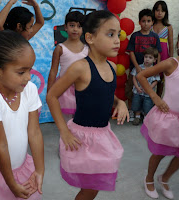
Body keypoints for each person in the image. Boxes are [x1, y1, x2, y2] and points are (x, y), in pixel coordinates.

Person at [47, 10, 129, 200]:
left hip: (103, 135)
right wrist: (64, 132)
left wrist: (121, 102)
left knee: (95, 185)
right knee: (89, 188)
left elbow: (106, 92)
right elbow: (52, 96)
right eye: (110, 34)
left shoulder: (110, 66)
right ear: (90, 38)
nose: (117, 40)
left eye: (118, 34)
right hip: (83, 139)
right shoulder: (80, 67)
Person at [137, 24, 179, 199]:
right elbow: (141, 76)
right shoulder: (170, 63)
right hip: (167, 118)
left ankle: (164, 178)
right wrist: (155, 97)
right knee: (159, 152)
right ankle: (149, 178)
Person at [0, 30, 44, 199]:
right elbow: (1, 146)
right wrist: (11, 184)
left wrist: (39, 170)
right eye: (21, 72)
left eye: (30, 70)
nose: (29, 77)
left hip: (23, 167)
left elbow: (34, 132)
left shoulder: (28, 89)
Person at [47, 11, 89, 122]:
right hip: (64, 89)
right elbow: (53, 71)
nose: (75, 29)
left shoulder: (88, 49)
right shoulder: (60, 48)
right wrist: (50, 92)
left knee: (82, 121)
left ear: (83, 29)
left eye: (79, 26)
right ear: (65, 27)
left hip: (83, 89)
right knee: (66, 123)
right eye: (72, 25)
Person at [126, 8, 162, 121]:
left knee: (147, 92)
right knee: (132, 90)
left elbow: (158, 53)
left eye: (148, 21)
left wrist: (157, 68)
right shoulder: (135, 36)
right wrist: (137, 67)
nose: (146, 24)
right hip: (135, 69)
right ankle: (132, 111)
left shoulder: (155, 36)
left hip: (150, 71)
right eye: (143, 21)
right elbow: (131, 52)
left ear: (152, 22)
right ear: (139, 22)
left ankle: (145, 113)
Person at [131, 47, 160, 126]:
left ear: (154, 60)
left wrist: (149, 88)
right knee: (136, 104)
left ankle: (146, 118)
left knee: (147, 106)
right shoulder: (139, 67)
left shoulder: (154, 69)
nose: (147, 59)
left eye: (150, 58)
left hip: (148, 93)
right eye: (146, 57)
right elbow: (134, 77)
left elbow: (156, 80)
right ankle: (137, 117)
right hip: (138, 91)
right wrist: (137, 87)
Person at [151, 0, 174, 97]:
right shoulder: (150, 25)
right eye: (157, 10)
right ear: (154, 11)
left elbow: (171, 44)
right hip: (151, 54)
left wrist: (171, 59)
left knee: (161, 79)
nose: (160, 13)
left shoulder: (168, 27)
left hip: (164, 55)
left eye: (162, 11)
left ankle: (158, 101)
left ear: (166, 13)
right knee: (150, 76)